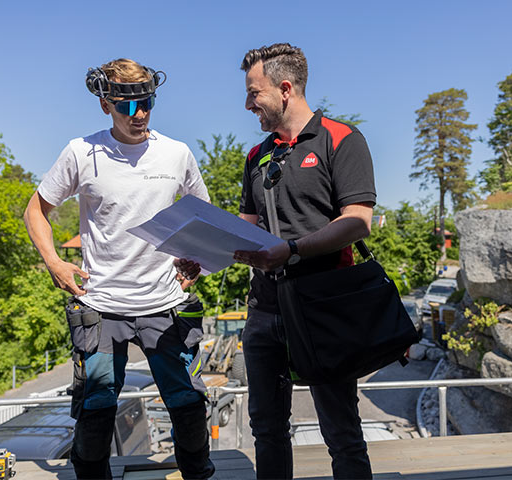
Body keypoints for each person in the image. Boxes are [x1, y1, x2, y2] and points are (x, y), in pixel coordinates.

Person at [23, 57, 214, 480]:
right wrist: (54, 262)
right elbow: (36, 210)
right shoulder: (82, 152)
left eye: (146, 102)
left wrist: (193, 257)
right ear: (105, 104)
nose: (139, 114)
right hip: (102, 306)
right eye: (127, 106)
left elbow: (201, 216)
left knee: (186, 402)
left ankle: (198, 474)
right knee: (96, 406)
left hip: (165, 304)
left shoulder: (176, 153)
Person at [233, 43, 376, 479]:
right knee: (267, 430)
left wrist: (291, 250)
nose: (247, 104)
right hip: (264, 309)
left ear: (286, 88)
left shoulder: (341, 139)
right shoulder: (257, 157)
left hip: (323, 307)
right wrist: (203, 249)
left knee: (341, 433)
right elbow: (247, 226)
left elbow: (358, 222)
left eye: (254, 93)